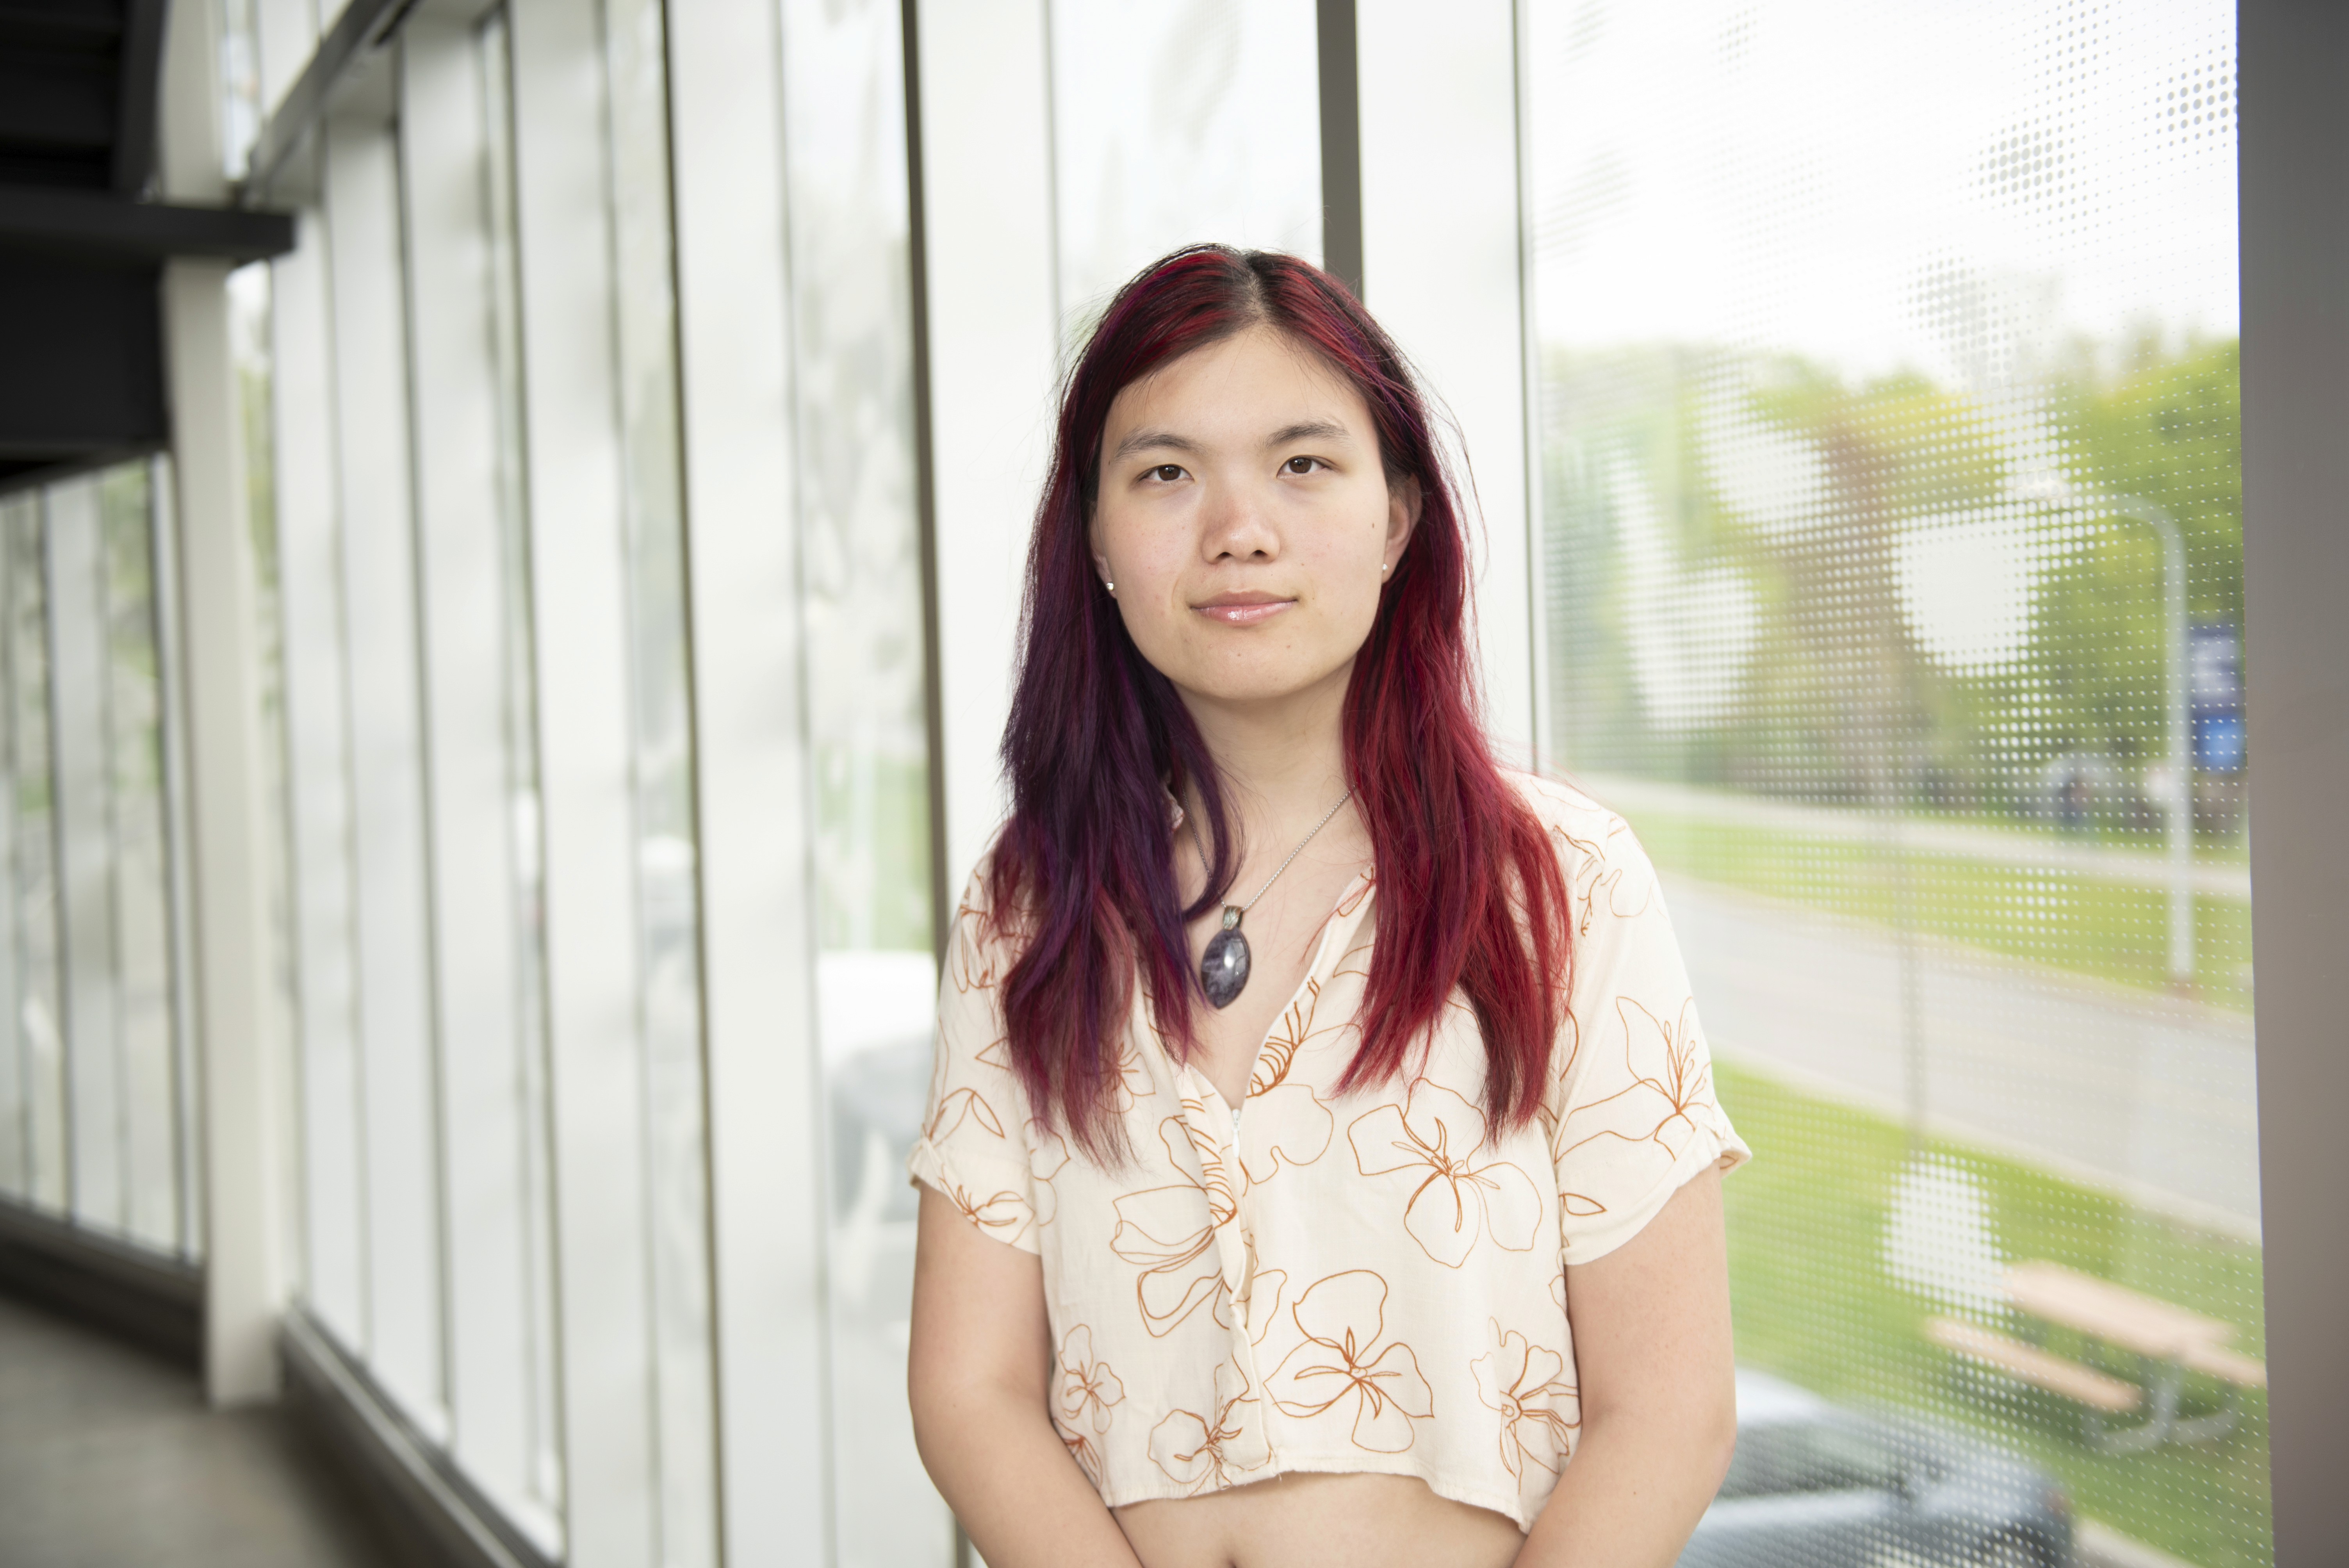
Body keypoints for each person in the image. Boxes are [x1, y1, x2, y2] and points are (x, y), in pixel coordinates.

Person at [907, 244, 1748, 1568]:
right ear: (1095, 538)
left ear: (1402, 515)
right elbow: (971, 1392)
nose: (1239, 527)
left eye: (1303, 464)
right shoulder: (1029, 904)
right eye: (1166, 473)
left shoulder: (1559, 884)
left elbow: (1672, 1409)